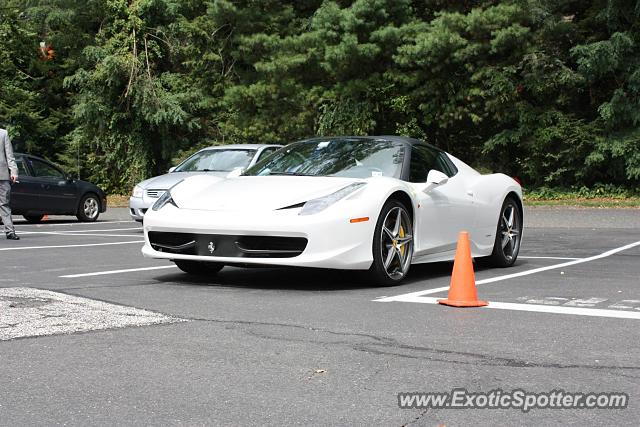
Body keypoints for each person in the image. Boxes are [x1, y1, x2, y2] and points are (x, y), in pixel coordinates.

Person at [0, 127, 19, 240]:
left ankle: (10, 231)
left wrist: (14, 171)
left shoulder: (3, 133)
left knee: (4, 204)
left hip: (2, 175)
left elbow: (10, 155)